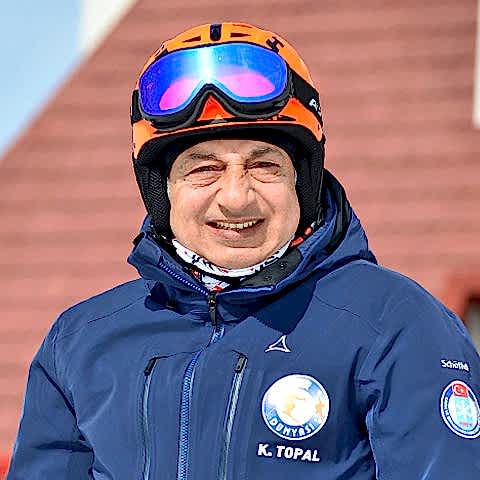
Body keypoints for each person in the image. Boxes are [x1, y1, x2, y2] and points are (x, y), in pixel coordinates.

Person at [7, 22, 480, 480]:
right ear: (161, 191)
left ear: (303, 181)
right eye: (203, 169)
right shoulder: (81, 341)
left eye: (264, 166)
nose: (236, 197)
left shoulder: (397, 324)